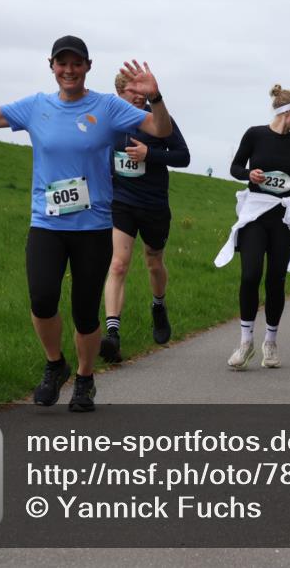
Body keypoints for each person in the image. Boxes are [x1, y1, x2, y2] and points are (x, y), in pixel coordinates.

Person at [0, 37, 173, 412]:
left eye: (76, 63)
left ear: (88, 66)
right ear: (52, 66)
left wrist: (155, 97)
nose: (69, 70)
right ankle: (55, 364)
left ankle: (85, 379)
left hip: (92, 228)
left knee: (85, 312)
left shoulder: (107, 107)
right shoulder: (35, 107)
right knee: (43, 300)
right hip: (47, 225)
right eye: (62, 64)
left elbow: (160, 131)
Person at [214, 85, 290, 369]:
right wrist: (250, 174)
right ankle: (245, 342)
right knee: (250, 275)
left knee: (275, 281)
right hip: (255, 214)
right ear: (286, 111)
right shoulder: (255, 134)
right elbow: (235, 168)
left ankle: (270, 343)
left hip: (283, 219)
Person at [99, 72, 190, 363]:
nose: (138, 95)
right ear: (119, 93)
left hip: (153, 205)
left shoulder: (158, 120)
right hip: (121, 202)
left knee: (153, 262)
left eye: (141, 90)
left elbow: (183, 156)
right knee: (117, 263)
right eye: (131, 91)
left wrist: (149, 153)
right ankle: (112, 334)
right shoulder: (109, 119)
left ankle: (158, 305)